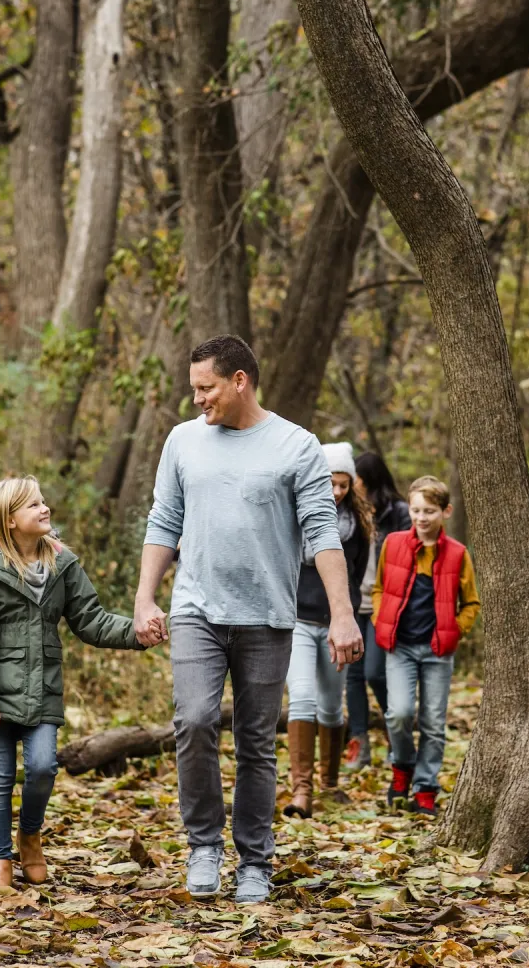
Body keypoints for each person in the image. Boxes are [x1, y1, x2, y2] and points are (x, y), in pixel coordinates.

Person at [135, 334, 363, 904]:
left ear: (240, 381)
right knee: (193, 720)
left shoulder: (296, 445)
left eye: (206, 388)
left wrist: (343, 615)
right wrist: (144, 597)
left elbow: (320, 533)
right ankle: (204, 845)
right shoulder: (184, 441)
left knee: (258, 741)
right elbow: (164, 520)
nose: (197, 400)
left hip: (266, 615)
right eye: (193, 389)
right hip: (196, 610)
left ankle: (255, 857)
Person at [0, 476, 153, 894]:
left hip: (43, 689)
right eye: (33, 506)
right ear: (8, 521)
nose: (45, 509)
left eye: (43, 502)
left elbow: (91, 620)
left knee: (44, 766)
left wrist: (137, 632)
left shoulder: (63, 565)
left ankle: (30, 835)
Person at [371, 475, 480, 815]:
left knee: (432, 721)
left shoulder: (458, 554)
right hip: (399, 647)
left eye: (430, 511)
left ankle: (425, 787)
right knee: (399, 713)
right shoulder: (393, 544)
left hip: (437, 652)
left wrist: (454, 631)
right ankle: (402, 767)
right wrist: (380, 619)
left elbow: (472, 604)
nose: (421, 518)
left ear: (445, 512)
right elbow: (378, 588)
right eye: (416, 510)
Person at [283, 442, 374, 819]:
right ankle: (301, 791)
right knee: (302, 697)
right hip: (298, 622)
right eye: (329, 484)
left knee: (332, 707)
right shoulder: (294, 517)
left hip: (337, 627)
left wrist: (349, 619)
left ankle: (330, 785)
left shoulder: (358, 527)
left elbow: (355, 577)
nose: (336, 492)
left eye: (342, 485)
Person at [344, 451, 411, 771]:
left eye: (354, 480)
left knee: (374, 672)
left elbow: (411, 556)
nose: (350, 486)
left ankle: (395, 734)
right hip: (353, 604)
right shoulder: (349, 513)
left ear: (368, 479)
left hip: (383, 604)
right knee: (353, 676)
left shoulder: (397, 513)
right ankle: (360, 743)